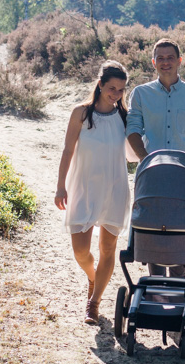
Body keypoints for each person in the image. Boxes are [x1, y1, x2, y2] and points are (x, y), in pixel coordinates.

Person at [126, 38, 185, 278]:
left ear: (179, 61)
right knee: (152, 228)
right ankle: (155, 283)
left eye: (170, 58)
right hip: (151, 172)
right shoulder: (141, 94)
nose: (165, 62)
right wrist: (146, 160)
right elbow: (133, 130)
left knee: (183, 228)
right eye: (160, 58)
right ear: (153, 62)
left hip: (182, 175)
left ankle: (178, 284)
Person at [55, 61, 131, 324]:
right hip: (83, 187)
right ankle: (92, 276)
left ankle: (94, 302)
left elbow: (134, 153)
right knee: (80, 250)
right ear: (100, 84)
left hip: (115, 187)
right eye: (112, 88)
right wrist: (60, 186)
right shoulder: (81, 113)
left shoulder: (125, 117)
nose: (116, 94)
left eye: (121, 90)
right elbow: (67, 151)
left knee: (108, 248)